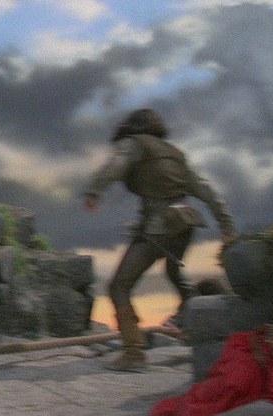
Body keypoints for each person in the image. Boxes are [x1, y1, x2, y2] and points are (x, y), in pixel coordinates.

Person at [83, 108, 236, 372]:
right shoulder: (174, 153)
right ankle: (197, 322)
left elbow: (116, 165)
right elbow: (206, 190)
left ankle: (134, 352)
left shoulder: (134, 144)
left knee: (119, 286)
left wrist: (94, 190)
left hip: (159, 225)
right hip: (185, 223)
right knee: (173, 272)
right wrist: (226, 225)